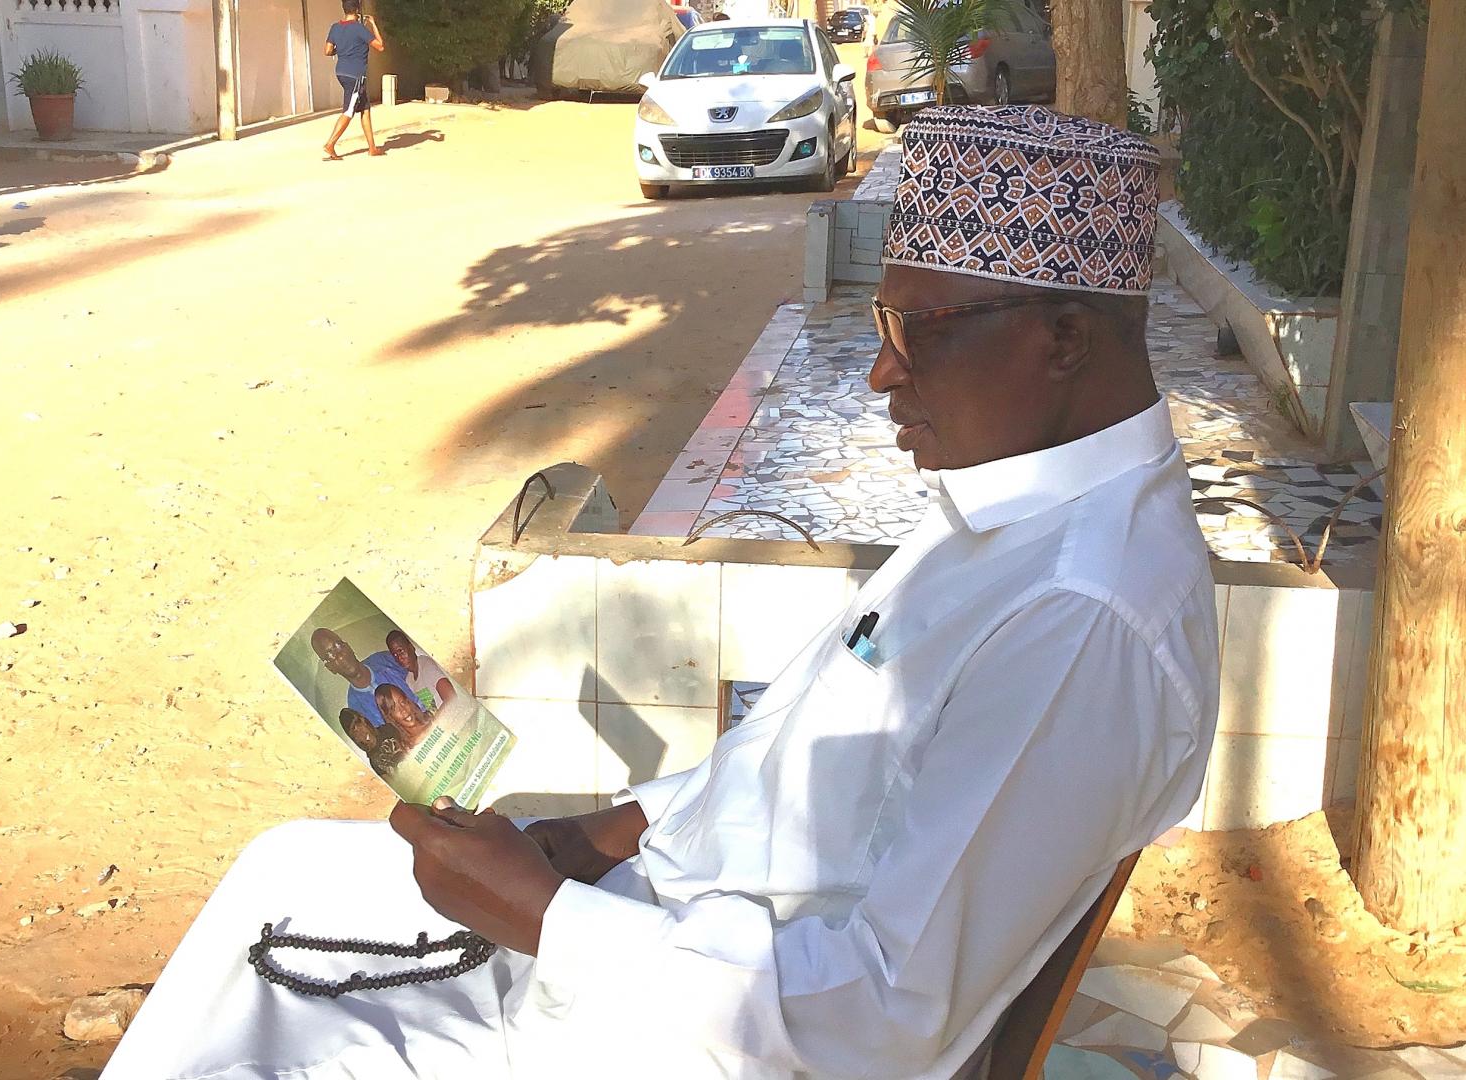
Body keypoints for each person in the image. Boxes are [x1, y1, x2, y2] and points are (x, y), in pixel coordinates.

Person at [103, 106, 1219, 1080]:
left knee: (227, 1050)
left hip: (697, 1039)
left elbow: (885, 1019)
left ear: (1061, 339)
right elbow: (785, 762)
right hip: (654, 939)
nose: (880, 371)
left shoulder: (1082, 613)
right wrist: (599, 837)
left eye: (909, 332)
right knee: (287, 869)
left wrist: (547, 920)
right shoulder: (1011, 517)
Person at [310, 627, 418, 727]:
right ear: (330, 668)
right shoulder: (357, 709)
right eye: (330, 655)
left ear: (348, 646)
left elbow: (421, 675)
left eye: (337, 646)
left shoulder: (386, 660)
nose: (340, 656)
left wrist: (429, 705)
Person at [322, 0, 385, 161]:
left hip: (341, 72)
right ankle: (330, 144)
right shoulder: (359, 28)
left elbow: (327, 51)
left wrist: (341, 48)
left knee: (365, 109)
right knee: (349, 110)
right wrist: (373, 24)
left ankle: (372, 147)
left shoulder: (335, 27)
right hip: (356, 75)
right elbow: (380, 46)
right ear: (357, 10)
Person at [386, 629, 458, 713]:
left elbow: (451, 697)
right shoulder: (409, 679)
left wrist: (436, 721)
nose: (399, 658)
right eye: (395, 655)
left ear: (411, 647)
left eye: (400, 651)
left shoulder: (426, 664)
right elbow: (432, 707)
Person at [342, 707, 405, 777]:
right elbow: (394, 783)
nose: (360, 732)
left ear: (363, 720)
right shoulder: (374, 762)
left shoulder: (388, 729)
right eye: (354, 730)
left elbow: (410, 746)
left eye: (358, 723)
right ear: (354, 738)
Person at [375, 682, 436, 753]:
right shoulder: (406, 749)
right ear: (390, 717)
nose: (403, 710)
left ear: (408, 701)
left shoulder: (433, 714)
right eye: (394, 708)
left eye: (402, 702)